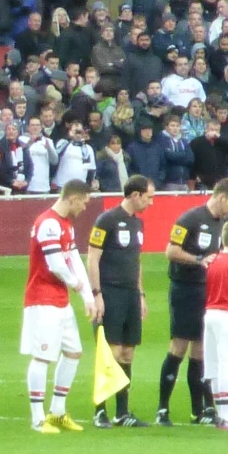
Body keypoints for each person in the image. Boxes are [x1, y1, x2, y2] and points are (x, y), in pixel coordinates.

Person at [160, 177, 228, 425]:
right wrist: (198, 260)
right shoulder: (191, 218)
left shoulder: (226, 224)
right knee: (179, 346)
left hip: (208, 291)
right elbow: (170, 251)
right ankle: (163, 409)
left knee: (201, 350)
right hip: (185, 289)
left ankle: (201, 410)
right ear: (221, 197)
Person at [23, 179, 97, 434]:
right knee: (42, 356)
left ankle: (57, 412)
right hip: (42, 298)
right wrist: (78, 286)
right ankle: (36, 418)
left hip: (59, 299)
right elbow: (56, 264)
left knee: (74, 352)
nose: (85, 207)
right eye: (84, 201)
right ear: (74, 198)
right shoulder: (48, 223)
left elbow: (74, 258)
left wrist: (88, 296)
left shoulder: (66, 225)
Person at [85, 175, 153, 428]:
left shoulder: (138, 224)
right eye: (149, 197)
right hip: (110, 293)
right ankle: (100, 411)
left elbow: (136, 262)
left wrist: (141, 294)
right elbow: (92, 258)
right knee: (109, 352)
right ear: (135, 195)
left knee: (127, 352)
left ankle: (122, 413)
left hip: (131, 295)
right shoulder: (107, 220)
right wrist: (96, 294)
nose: (151, 202)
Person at [202, 219, 228, 430]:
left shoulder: (214, 261)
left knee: (215, 365)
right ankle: (226, 417)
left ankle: (221, 414)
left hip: (210, 314)